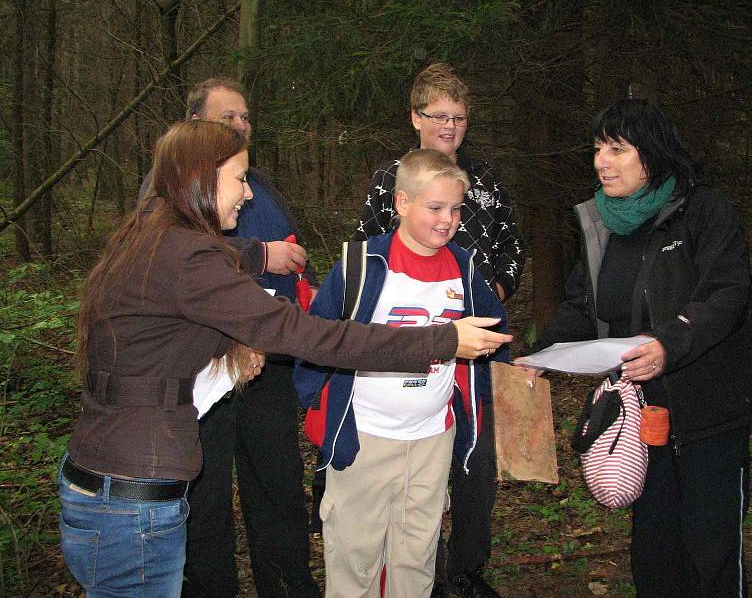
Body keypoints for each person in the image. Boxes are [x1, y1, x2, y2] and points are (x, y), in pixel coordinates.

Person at [58, 120, 513, 597]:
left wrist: (251, 278)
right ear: (201, 179)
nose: (249, 194)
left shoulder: (152, 239)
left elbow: (173, 319)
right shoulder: (185, 256)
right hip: (134, 496)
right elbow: (308, 335)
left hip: (110, 480)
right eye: (239, 178)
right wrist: (440, 341)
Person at [523, 98, 752, 597]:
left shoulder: (704, 210)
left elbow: (727, 294)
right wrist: (540, 354)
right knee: (654, 550)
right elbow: (582, 307)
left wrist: (668, 344)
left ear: (650, 155)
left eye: (616, 149)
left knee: (710, 549)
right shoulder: (603, 223)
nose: (600, 162)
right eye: (597, 149)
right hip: (639, 417)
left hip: (708, 411)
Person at [295, 149, 509, 598]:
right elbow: (315, 334)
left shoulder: (464, 269)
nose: (446, 219)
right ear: (401, 203)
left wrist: (499, 381)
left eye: (455, 209)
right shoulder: (362, 265)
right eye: (434, 207)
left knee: (417, 558)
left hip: (433, 438)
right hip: (366, 438)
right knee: (355, 559)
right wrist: (321, 403)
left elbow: (495, 334)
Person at [139, 77, 322, 598]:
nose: (241, 125)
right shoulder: (164, 186)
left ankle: (286, 583)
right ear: (194, 124)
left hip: (269, 360)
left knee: (278, 483)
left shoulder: (260, 182)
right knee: (206, 493)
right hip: (205, 366)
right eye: (228, 118)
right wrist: (259, 254)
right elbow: (169, 253)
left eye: (245, 117)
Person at [352, 63, 524, 598]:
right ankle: (405, 571)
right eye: (438, 116)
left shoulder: (487, 184)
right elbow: (363, 261)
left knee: (473, 465)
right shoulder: (391, 182)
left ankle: (466, 571)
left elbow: (513, 251)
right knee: (410, 467)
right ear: (415, 118)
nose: (449, 127)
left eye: (459, 118)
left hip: (477, 351)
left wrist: (490, 287)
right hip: (406, 350)